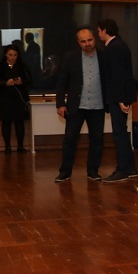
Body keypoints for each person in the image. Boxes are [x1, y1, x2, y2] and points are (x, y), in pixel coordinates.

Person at [54, 27, 107, 183]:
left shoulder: (103, 56)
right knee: (70, 140)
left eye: (89, 40)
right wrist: (60, 104)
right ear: (78, 42)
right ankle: (65, 172)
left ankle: (93, 171)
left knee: (97, 140)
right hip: (76, 106)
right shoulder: (71, 58)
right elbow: (61, 82)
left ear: (94, 39)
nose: (87, 44)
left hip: (98, 105)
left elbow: (115, 76)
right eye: (83, 41)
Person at [97, 18, 138, 182]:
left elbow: (117, 76)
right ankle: (130, 168)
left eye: (99, 31)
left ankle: (123, 169)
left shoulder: (114, 47)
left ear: (104, 30)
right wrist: (135, 85)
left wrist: (120, 99)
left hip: (118, 97)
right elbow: (123, 73)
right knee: (121, 133)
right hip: (120, 96)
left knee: (119, 134)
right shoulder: (119, 45)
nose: (98, 34)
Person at [0, 43, 33, 153]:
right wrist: (5, 83)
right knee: (6, 122)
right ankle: (7, 147)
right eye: (10, 55)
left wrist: (21, 81)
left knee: (20, 121)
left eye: (15, 55)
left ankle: (20, 146)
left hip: (20, 97)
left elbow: (30, 80)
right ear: (5, 55)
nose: (13, 57)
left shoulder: (22, 66)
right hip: (4, 97)